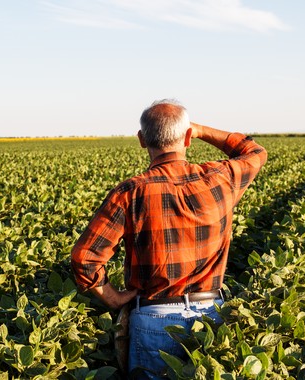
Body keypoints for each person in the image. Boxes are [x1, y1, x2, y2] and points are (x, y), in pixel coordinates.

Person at [70, 99, 267, 378]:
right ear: (187, 137)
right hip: (210, 316)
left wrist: (112, 298)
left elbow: (85, 258)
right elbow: (254, 151)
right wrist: (199, 130)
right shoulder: (221, 178)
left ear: (141, 140)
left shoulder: (129, 192)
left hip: (153, 318)